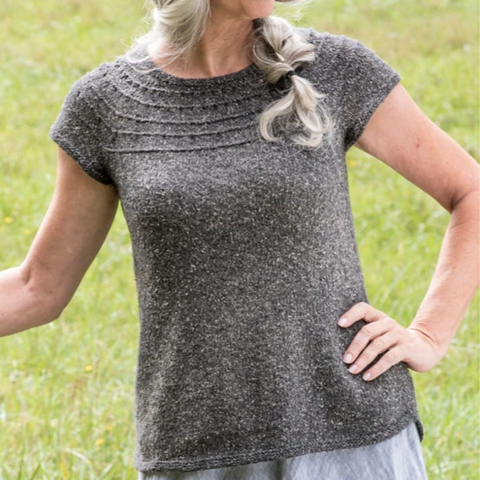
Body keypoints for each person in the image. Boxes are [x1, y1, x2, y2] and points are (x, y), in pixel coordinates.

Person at [1, 0, 478, 479]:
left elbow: (470, 192)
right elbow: (37, 287)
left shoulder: (332, 70)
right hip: (196, 448)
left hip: (350, 436)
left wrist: (429, 335)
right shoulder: (105, 106)